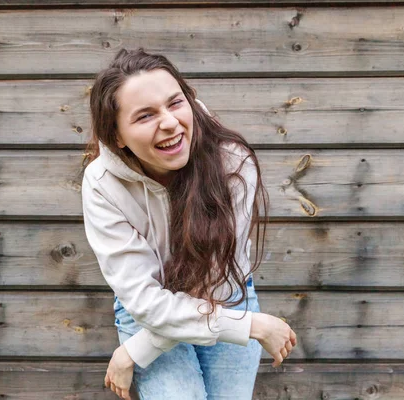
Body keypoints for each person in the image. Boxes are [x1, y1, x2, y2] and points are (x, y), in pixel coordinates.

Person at [80, 48, 297, 400]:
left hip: (228, 296)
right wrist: (251, 326)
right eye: (145, 115)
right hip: (151, 312)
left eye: (175, 103)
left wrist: (135, 351)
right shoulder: (102, 183)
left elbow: (214, 286)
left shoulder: (232, 163)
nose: (169, 122)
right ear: (116, 136)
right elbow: (149, 304)